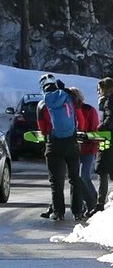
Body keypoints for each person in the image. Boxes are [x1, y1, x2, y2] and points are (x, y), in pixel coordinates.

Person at [37, 74, 87, 221]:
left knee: (56, 181)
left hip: (53, 143)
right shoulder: (69, 98)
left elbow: (43, 128)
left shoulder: (42, 104)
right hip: (71, 143)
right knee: (74, 179)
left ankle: (58, 212)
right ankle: (77, 212)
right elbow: (80, 121)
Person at [70, 86, 100, 218]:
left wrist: (85, 136)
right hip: (73, 149)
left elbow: (95, 129)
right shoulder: (67, 110)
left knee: (84, 176)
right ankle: (86, 204)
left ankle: (94, 201)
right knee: (76, 178)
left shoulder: (89, 110)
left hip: (88, 148)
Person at [95, 78, 113, 213]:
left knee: (101, 169)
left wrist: (99, 128)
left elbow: (109, 119)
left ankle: (100, 203)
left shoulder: (109, 101)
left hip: (107, 138)